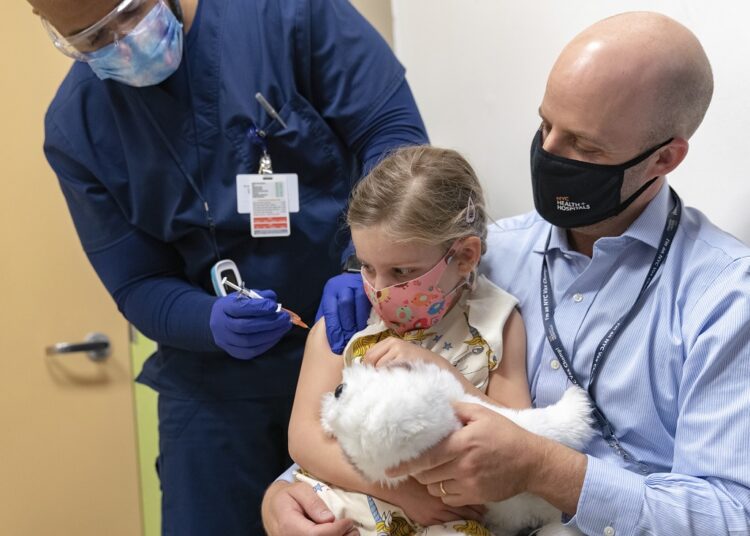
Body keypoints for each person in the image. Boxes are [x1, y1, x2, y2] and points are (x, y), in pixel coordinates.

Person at [263, 11, 750, 536]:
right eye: (545, 125)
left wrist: (543, 468)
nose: (550, 153)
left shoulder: (723, 299)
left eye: (585, 146)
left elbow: (728, 515)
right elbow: (371, 418)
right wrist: (285, 495)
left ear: (664, 158)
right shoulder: (468, 261)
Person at [28, 0, 428, 533]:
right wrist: (208, 320)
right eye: (90, 39)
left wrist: (365, 265)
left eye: (129, 13)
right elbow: (138, 282)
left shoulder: (286, 15)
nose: (122, 41)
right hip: (213, 387)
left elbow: (393, 133)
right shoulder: (77, 127)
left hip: (352, 342)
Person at [289, 145, 531, 535]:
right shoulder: (348, 322)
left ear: (465, 256)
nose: (379, 290)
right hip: (349, 504)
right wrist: (401, 491)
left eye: (402, 271)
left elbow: (522, 435)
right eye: (366, 266)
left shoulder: (496, 323)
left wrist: (443, 375)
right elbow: (303, 439)